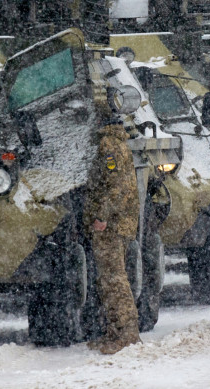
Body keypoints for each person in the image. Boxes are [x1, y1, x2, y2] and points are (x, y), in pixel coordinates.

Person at [84, 117, 142, 355]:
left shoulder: (109, 145)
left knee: (114, 279)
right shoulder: (117, 143)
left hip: (112, 225)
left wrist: (102, 216)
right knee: (109, 279)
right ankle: (115, 333)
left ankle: (127, 335)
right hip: (118, 222)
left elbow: (116, 185)